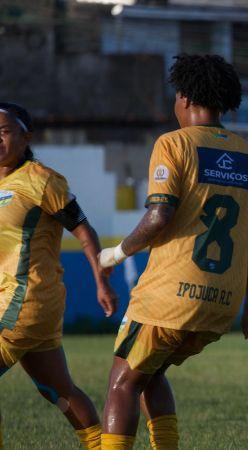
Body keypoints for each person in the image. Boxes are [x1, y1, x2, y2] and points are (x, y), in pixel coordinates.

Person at [97, 54, 248, 449]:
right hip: (221, 304)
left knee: (122, 383)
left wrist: (116, 254)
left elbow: (159, 216)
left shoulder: (173, 144)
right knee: (151, 374)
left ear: (185, 97)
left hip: (170, 296)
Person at [0, 102, 117, 449]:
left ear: (25, 136)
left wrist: (101, 281)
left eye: (4, 132)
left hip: (26, 301)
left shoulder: (41, 179)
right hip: (21, 304)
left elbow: (83, 230)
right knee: (59, 391)